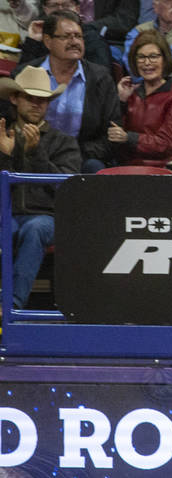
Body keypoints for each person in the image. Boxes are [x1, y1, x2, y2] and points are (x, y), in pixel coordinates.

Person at [0, 66, 81, 310]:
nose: (37, 104)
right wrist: (5, 157)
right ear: (15, 99)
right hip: (7, 214)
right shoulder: (2, 137)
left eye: (43, 100)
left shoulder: (64, 142)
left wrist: (37, 154)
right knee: (9, 226)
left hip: (48, 217)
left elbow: (68, 190)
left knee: (35, 228)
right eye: (30, 98)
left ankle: (10, 306)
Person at [13, 10, 121, 171]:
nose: (74, 42)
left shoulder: (101, 78)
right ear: (48, 41)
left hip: (82, 158)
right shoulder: (25, 73)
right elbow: (8, 120)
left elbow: (111, 134)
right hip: (26, 154)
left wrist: (71, 152)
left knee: (95, 168)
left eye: (78, 36)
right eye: (66, 37)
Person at [107, 29, 172, 166]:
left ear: (164, 59)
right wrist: (121, 101)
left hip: (163, 170)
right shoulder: (129, 93)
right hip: (126, 167)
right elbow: (112, 138)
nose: (147, 63)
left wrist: (129, 138)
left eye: (153, 56)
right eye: (141, 57)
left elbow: (169, 144)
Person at [18, 0, 111, 68]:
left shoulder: (92, 38)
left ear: (77, 9)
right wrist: (33, 41)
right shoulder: (42, 34)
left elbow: (102, 81)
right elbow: (21, 75)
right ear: (45, 9)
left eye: (66, 5)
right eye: (53, 5)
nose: (60, 9)